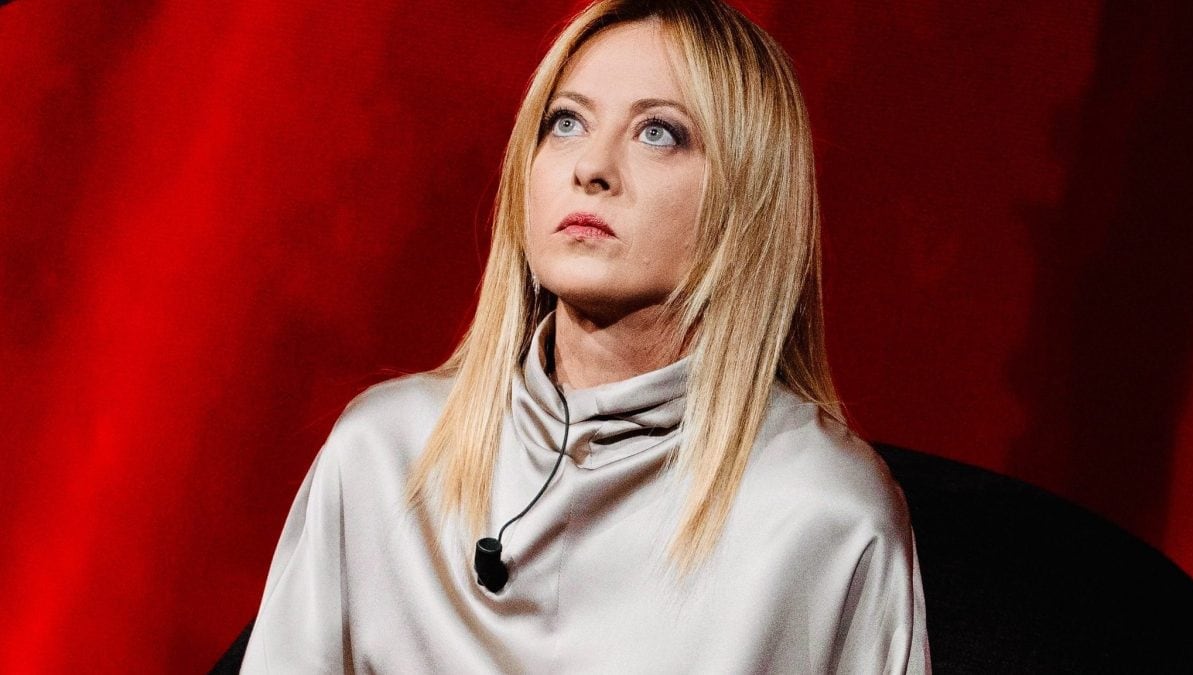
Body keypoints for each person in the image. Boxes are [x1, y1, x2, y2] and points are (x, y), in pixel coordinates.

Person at [242, 0, 929, 671]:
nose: (591, 166)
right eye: (566, 122)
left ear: (747, 198)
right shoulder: (384, 456)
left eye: (658, 133)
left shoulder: (825, 516)